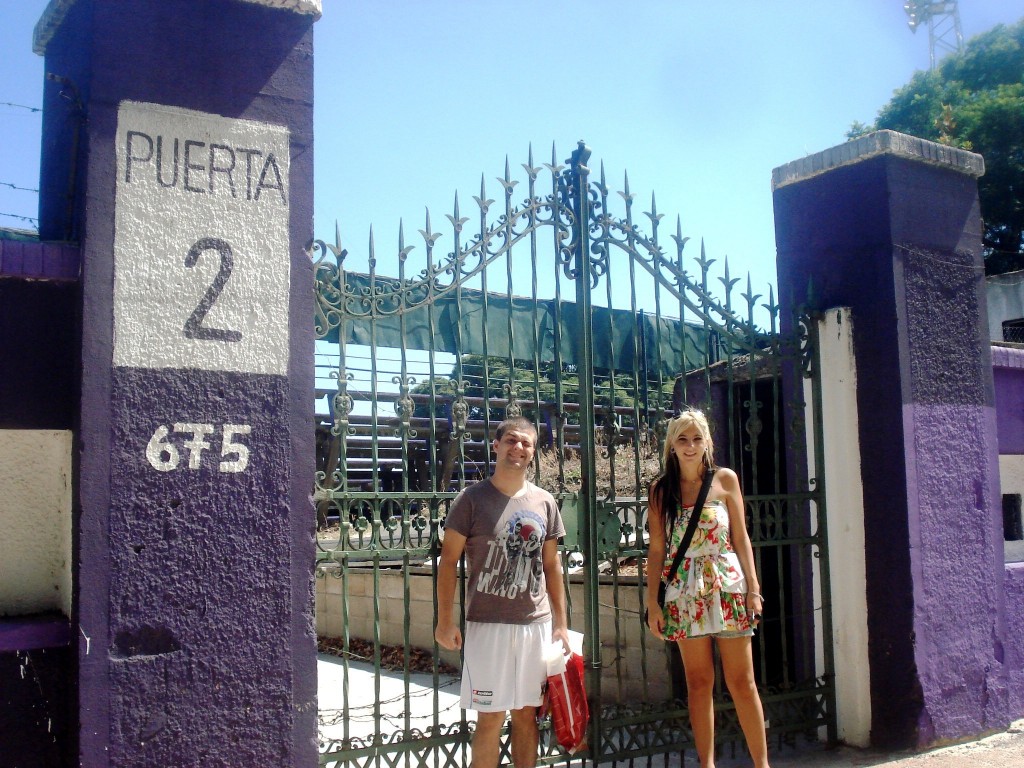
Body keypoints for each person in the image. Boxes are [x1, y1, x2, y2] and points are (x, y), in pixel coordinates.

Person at [435, 416, 570, 768]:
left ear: (533, 452)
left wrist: (560, 623)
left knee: (527, 716)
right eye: (511, 440)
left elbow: (552, 565)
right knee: (490, 719)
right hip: (486, 625)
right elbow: (448, 562)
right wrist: (444, 622)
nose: (519, 448)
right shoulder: (471, 500)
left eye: (526, 443)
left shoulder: (545, 502)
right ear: (496, 446)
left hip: (534, 626)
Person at [645, 410, 770, 768]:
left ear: (707, 443)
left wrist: (753, 588)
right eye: (683, 439)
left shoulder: (725, 480)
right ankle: (707, 764)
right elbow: (656, 549)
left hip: (727, 585)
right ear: (671, 444)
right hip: (684, 591)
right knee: (699, 683)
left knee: (742, 681)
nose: (690, 446)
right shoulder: (661, 490)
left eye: (697, 439)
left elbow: (741, 537)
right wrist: (653, 603)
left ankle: (762, 764)